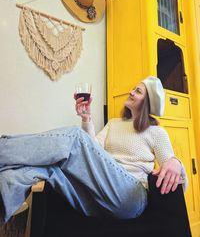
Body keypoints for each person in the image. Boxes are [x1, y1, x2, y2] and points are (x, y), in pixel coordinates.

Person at [0, 76, 188, 224]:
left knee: (74, 136)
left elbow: (179, 180)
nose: (130, 92)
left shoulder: (156, 132)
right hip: (98, 195)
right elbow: (91, 152)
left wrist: (175, 162)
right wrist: (86, 118)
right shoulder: (114, 124)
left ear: (147, 102)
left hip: (130, 197)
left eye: (137, 91)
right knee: (48, 170)